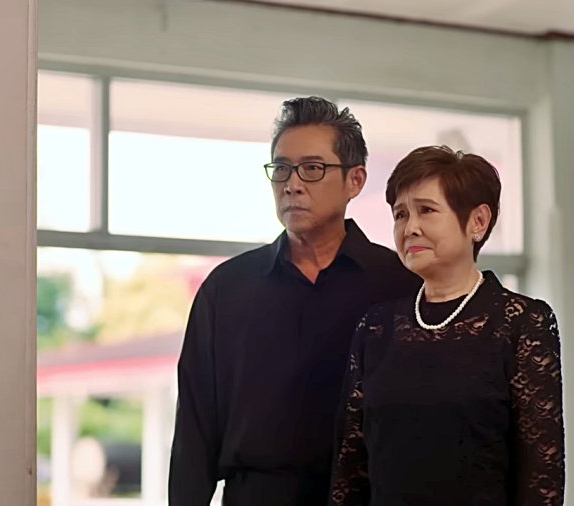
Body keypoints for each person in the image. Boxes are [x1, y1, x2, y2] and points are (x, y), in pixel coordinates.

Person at [167, 97, 419, 506]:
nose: (292, 184)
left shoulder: (399, 286)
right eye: (281, 168)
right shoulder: (227, 289)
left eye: (312, 168)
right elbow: (194, 430)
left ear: (355, 181)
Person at [330, 145, 565, 505]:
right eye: (400, 214)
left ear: (478, 222)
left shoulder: (522, 323)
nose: (410, 228)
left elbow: (541, 480)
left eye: (426, 210)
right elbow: (350, 471)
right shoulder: (376, 327)